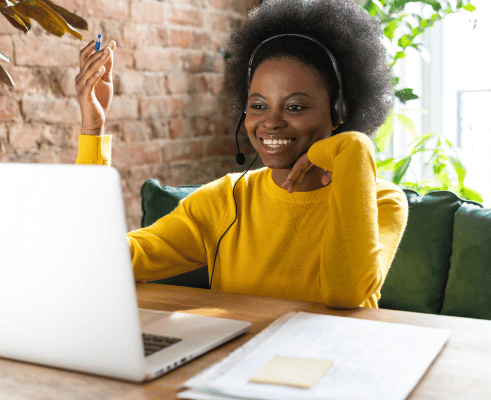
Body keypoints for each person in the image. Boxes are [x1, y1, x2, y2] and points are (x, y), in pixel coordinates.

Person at [75, 0, 408, 309]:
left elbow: (345, 292)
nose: (271, 122)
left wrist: (353, 147)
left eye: (295, 106)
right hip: (235, 368)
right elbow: (105, 261)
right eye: (258, 106)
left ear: (340, 111)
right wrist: (93, 129)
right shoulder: (227, 200)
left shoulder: (382, 202)